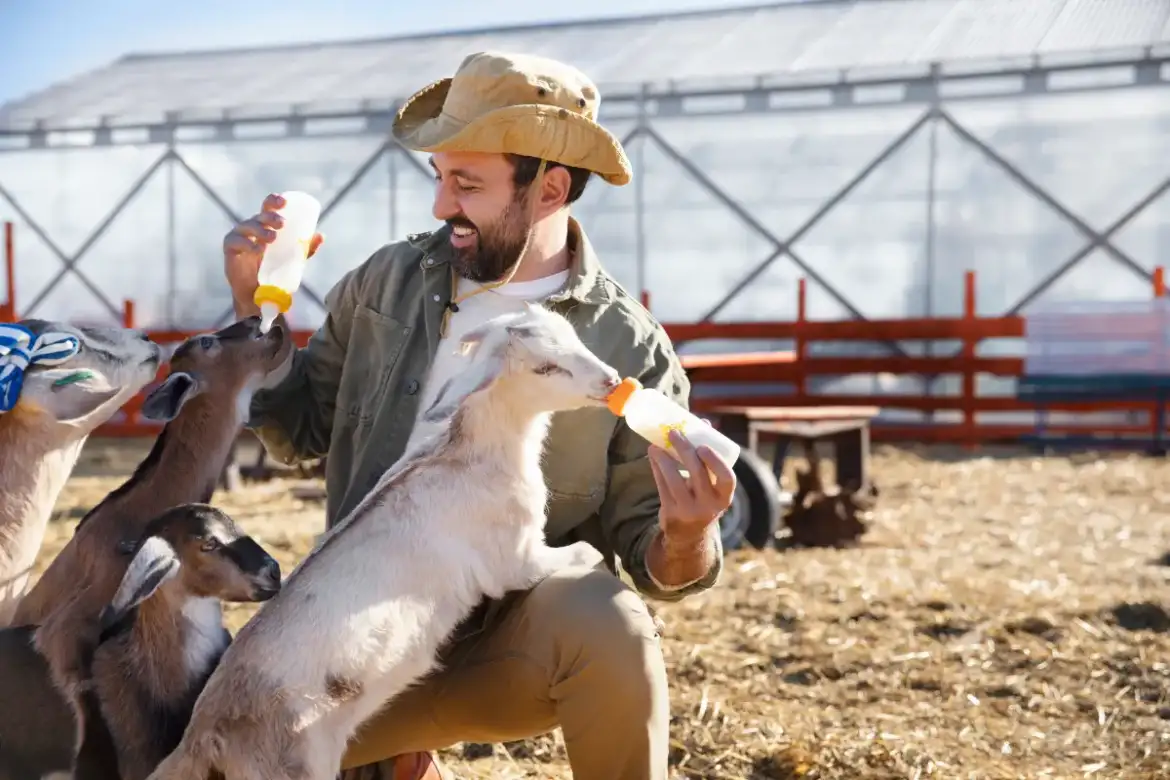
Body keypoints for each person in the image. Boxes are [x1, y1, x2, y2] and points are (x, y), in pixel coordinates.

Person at [223, 51, 737, 780]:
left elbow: (660, 565)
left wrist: (688, 533)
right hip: (362, 651)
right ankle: (398, 765)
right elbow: (296, 433)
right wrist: (255, 310)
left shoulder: (624, 345)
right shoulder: (384, 285)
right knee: (188, 736)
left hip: (503, 645)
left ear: (550, 188)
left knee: (611, 623)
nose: (441, 207)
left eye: (467, 184)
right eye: (439, 178)